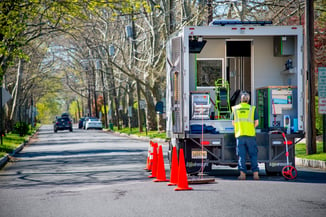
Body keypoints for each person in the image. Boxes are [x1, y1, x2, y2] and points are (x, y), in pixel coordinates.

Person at [231, 91, 259, 180]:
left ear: (241, 99)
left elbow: (233, 123)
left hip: (240, 135)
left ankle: (242, 174)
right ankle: (256, 174)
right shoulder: (252, 109)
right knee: (253, 155)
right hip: (250, 135)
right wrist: (250, 128)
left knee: (241, 156)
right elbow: (257, 123)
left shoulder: (235, 109)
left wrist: (240, 127)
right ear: (248, 100)